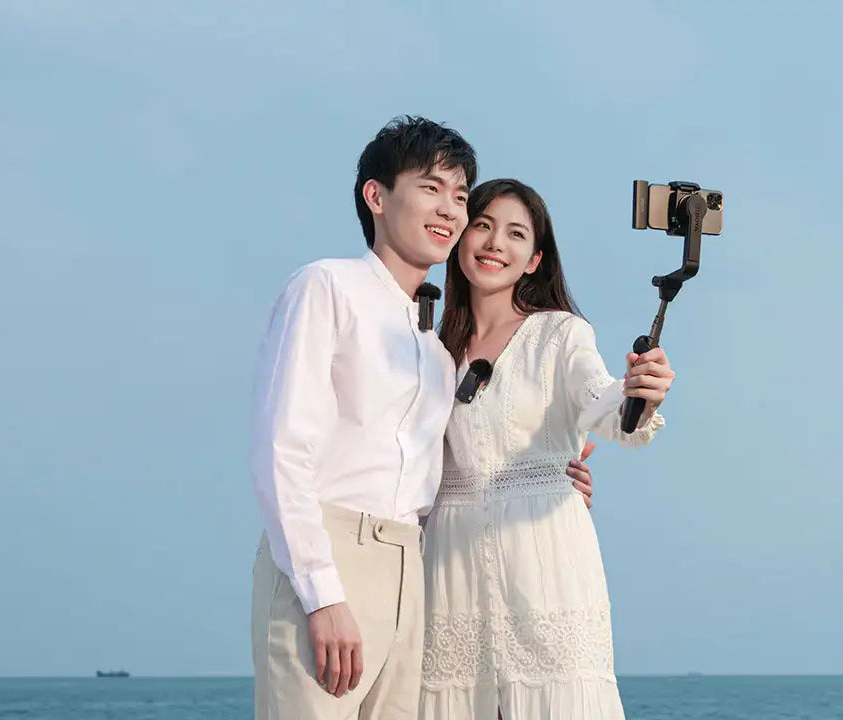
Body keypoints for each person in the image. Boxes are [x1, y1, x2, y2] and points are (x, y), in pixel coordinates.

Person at [248, 118, 596, 720]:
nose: (450, 209)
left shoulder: (435, 351)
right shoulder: (326, 286)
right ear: (377, 196)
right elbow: (281, 451)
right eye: (431, 188)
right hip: (330, 556)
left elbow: (444, 471)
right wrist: (322, 594)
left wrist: (544, 478)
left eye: (460, 195)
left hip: (416, 573)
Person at [418, 179, 676, 719]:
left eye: (516, 234)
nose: (495, 243)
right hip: (448, 571)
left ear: (535, 260)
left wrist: (638, 395)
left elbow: (602, 402)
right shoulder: (432, 349)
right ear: (460, 236)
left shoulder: (560, 334)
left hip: (545, 567)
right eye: (483, 225)